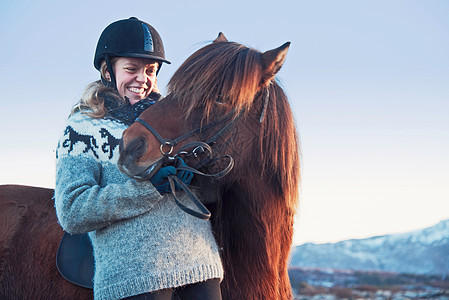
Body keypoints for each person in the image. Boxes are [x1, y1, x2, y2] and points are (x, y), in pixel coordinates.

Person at [54, 17, 223, 300]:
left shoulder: (176, 120)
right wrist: (147, 190)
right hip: (134, 276)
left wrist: (200, 179)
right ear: (108, 71)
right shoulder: (82, 128)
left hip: (200, 269)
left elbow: (207, 198)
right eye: (131, 69)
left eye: (151, 70)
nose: (142, 79)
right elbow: (72, 211)